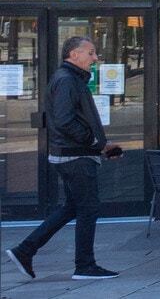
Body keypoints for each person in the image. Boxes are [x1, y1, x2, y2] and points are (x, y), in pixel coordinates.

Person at [7, 36, 123, 281]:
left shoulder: (73, 79)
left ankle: (24, 250)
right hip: (74, 157)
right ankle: (85, 266)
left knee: (73, 207)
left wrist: (103, 145)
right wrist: (94, 143)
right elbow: (64, 121)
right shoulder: (67, 79)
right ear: (74, 54)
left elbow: (77, 120)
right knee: (89, 208)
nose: (94, 58)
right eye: (90, 53)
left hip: (74, 154)